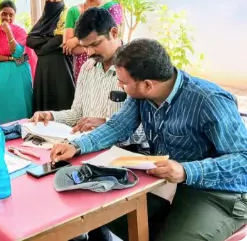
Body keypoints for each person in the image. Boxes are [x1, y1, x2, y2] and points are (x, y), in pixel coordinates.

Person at [50, 37, 247, 240]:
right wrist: (77, 145)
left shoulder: (209, 101)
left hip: (218, 193)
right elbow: (118, 126)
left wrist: (187, 171)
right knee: (99, 212)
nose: (119, 85)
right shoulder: (141, 96)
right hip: (167, 183)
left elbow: (243, 159)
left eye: (123, 82)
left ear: (147, 84)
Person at [30, 8, 146, 151]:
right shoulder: (87, 67)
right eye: (85, 47)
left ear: (114, 33)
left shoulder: (137, 68)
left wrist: (106, 124)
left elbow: (146, 131)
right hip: (86, 149)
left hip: (123, 154)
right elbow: (77, 114)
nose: (89, 53)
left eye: (95, 44)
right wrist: (50, 116)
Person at [63, 0, 123, 82]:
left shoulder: (112, 8)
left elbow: (113, 40)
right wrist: (95, 43)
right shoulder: (73, 11)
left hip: (109, 65)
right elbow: (69, 48)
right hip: (82, 69)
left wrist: (76, 40)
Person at [0, 0, 34, 124]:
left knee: (20, 108)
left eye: (11, 14)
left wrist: (9, 32)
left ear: (15, 16)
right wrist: (10, 59)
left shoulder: (20, 31)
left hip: (19, 77)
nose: (7, 17)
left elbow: (18, 53)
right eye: (4, 14)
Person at [27, 0, 75, 112]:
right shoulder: (43, 21)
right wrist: (49, 38)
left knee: (62, 104)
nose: (52, 4)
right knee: (44, 106)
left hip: (62, 69)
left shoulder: (66, 19)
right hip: (43, 71)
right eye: (49, 0)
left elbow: (59, 39)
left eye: (56, 1)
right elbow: (29, 40)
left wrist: (41, 46)